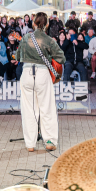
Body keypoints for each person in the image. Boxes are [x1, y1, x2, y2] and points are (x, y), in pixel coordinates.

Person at [16, 12, 66, 152]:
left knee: (29, 109)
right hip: (43, 74)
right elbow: (61, 58)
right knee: (47, 108)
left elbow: (18, 57)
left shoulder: (25, 38)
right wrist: (48, 57)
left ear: (33, 23)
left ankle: (30, 144)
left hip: (27, 73)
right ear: (47, 24)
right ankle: (49, 141)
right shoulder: (49, 40)